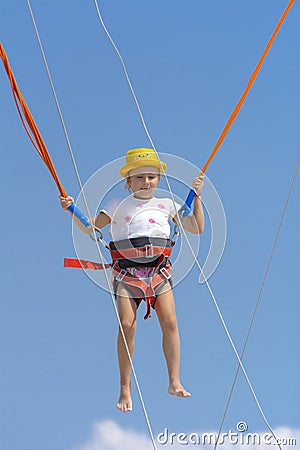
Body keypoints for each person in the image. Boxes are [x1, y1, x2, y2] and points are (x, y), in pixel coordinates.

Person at [60, 148, 204, 412]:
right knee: (127, 324)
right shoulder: (116, 205)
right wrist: (72, 209)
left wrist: (197, 198)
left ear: (159, 179)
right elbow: (91, 226)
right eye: (139, 178)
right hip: (127, 274)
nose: (145, 182)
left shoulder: (168, 205)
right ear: (128, 182)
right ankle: (125, 387)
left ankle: (174, 380)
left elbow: (197, 228)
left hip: (159, 272)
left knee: (170, 321)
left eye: (151, 177)